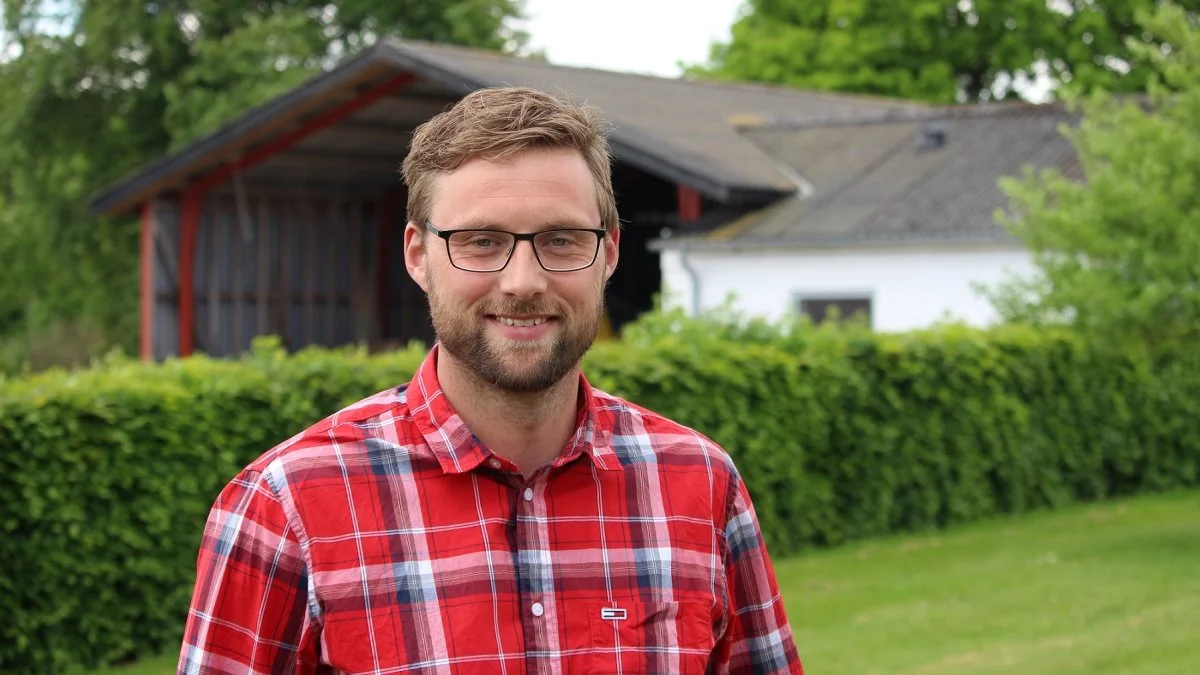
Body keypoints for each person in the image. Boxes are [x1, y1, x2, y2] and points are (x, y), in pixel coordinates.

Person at [179, 86, 804, 675]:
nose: (523, 281)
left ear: (609, 252)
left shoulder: (700, 486)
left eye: (561, 239)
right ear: (418, 254)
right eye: (481, 241)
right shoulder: (285, 507)